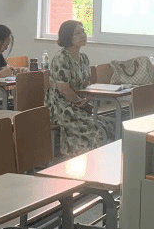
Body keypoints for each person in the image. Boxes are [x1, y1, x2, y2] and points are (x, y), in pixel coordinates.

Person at [46, 20, 111, 156]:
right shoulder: (61, 58)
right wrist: (80, 102)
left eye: (83, 32)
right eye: (78, 33)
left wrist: (87, 99)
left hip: (79, 103)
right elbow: (64, 89)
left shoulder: (84, 58)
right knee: (95, 129)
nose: (83, 35)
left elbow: (86, 84)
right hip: (61, 105)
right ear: (68, 37)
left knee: (107, 125)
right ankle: (83, 159)